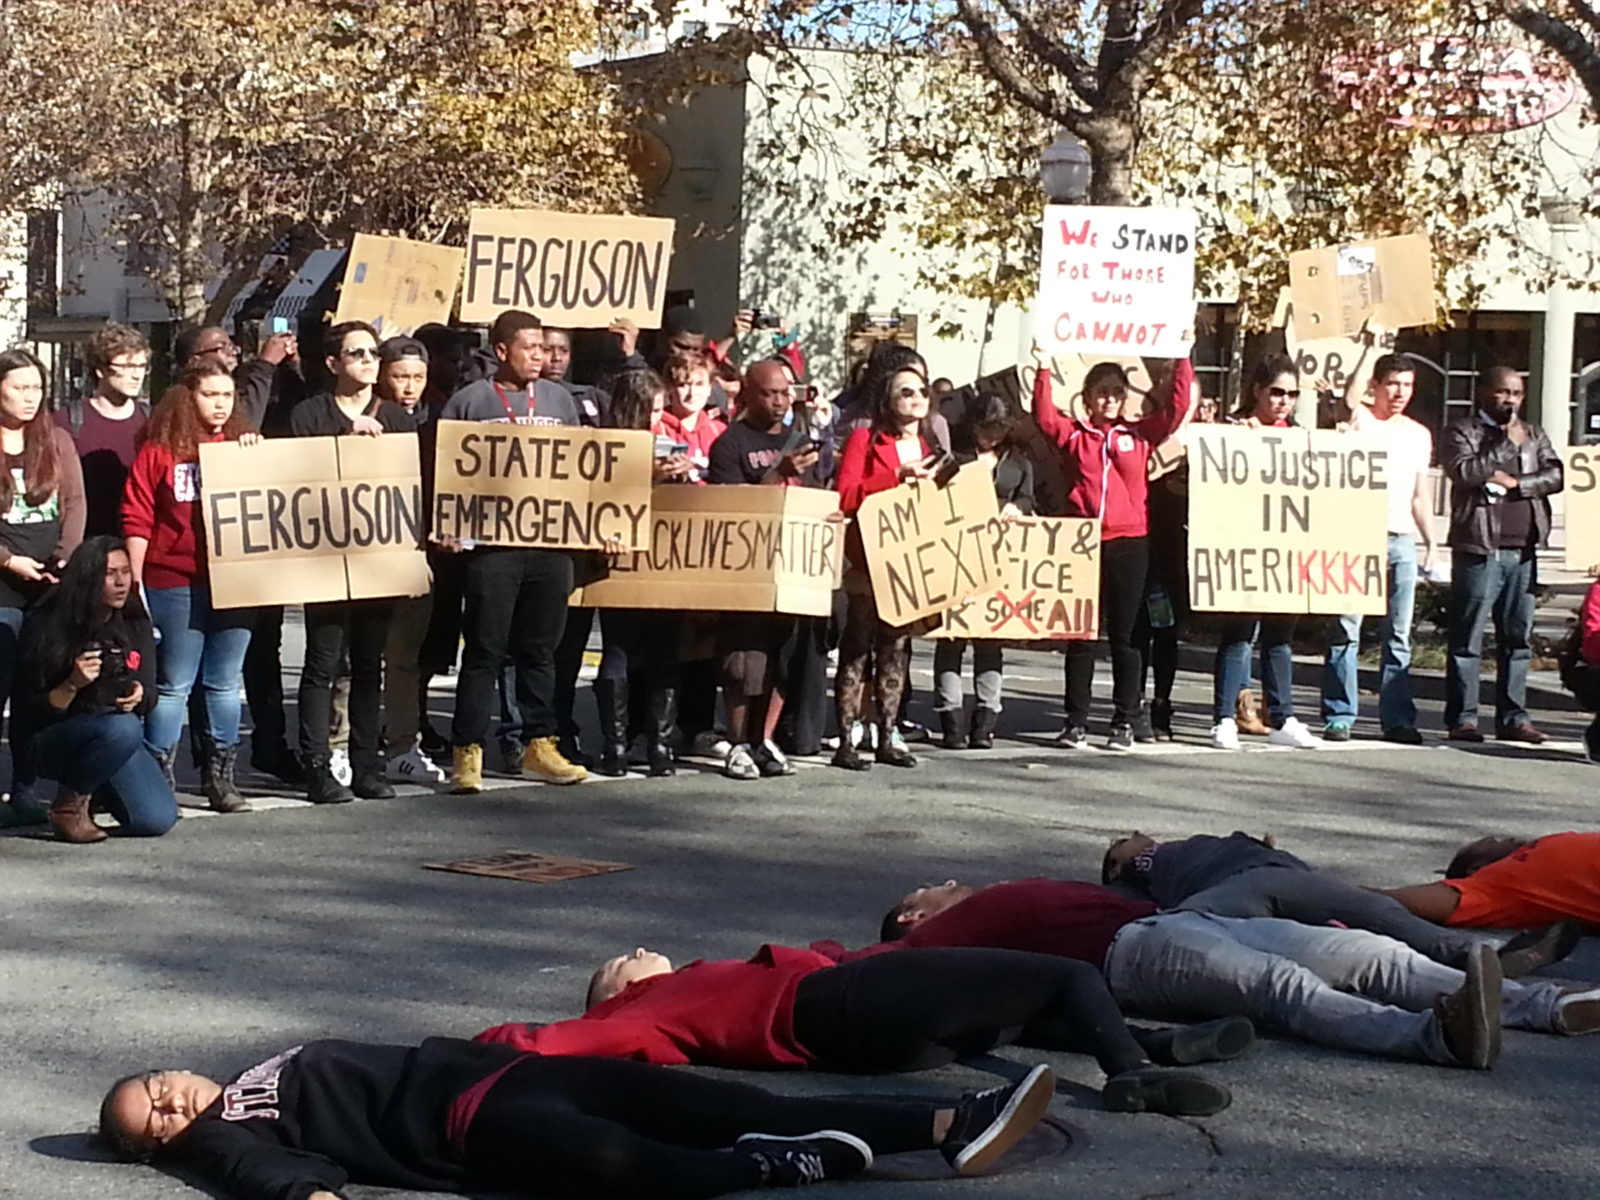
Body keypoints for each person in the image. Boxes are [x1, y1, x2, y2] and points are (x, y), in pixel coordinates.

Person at [99, 1037, 1057, 1198]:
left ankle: (951, 1120)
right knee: (627, 1169)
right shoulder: (230, 1132)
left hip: (515, 1074)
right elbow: (269, 1179)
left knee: (728, 1103)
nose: (174, 1107)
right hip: (475, 1129)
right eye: (157, 1127)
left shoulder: (257, 1073)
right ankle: (776, 1167)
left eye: (157, 1089)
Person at [873, 877, 1600, 1069]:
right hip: (1134, 958)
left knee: (1365, 954)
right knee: (1282, 990)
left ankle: (1539, 1005)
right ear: (912, 917)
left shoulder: (979, 906)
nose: (947, 881)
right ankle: (1433, 1039)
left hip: (1181, 922)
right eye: (927, 888)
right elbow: (863, 970)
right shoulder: (943, 936)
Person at [478, 943, 1232, 1118]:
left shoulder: (669, 1002)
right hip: (843, 1005)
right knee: (1064, 974)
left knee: (1015, 1011)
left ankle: (1149, 1046)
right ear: (613, 992)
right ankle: (1130, 1070)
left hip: (876, 1041)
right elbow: (558, 1042)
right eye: (622, 961)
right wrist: (464, 1053)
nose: (637, 951)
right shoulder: (647, 1009)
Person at [438, 310, 587, 793]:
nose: (540, 356)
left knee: (541, 650)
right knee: (484, 650)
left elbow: (587, 473)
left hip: (549, 545)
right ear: (502, 351)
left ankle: (539, 743)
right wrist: (447, 527)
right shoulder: (470, 402)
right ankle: (468, 750)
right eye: (530, 348)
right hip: (492, 549)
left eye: (544, 348)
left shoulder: (562, 401)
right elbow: (445, 471)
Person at [1099, 831, 1573, 974]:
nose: (1135, 836)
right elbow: (1125, 858)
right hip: (1258, 884)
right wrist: (1126, 857)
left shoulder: (1192, 853)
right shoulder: (1151, 859)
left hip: (1250, 897)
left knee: (1352, 946)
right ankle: (1475, 960)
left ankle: (1468, 972)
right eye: (1126, 841)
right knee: (1381, 919)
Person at [285, 322, 417, 802]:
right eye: (356, 353)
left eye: (373, 353)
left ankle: (367, 766)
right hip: (324, 558)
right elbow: (296, 474)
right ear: (332, 363)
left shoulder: (400, 420)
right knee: (322, 664)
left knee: (368, 664)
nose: (367, 361)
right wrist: (347, 434)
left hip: (377, 560)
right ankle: (317, 766)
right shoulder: (309, 414)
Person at [1033, 354, 1193, 750]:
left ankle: (1125, 718)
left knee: (1126, 637)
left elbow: (1177, 409)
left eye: (1116, 394)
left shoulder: (1139, 434)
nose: (1109, 401)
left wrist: (1182, 359)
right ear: (1087, 399)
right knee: (1082, 635)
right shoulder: (1075, 435)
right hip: (1084, 541)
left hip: (1130, 542)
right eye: (1101, 393)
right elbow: (1044, 417)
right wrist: (1042, 368)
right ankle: (1076, 720)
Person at [122, 361, 260, 814]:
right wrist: (135, 582)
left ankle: (220, 777)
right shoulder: (159, 452)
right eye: (210, 395)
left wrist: (256, 455)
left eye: (227, 395)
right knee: (175, 682)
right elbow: (138, 516)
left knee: (224, 684)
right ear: (187, 398)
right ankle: (158, 773)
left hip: (235, 580)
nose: (220, 404)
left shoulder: (244, 446)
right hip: (174, 580)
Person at [172, 323, 305, 784]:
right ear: (194, 364)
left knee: (260, 656)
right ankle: (201, 758)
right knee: (194, 672)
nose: (231, 353)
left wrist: (288, 368)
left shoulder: (255, 390)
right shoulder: (184, 412)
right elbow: (235, 418)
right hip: (194, 566)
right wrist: (264, 365)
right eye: (220, 348)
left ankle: (266, 745)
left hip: (250, 559)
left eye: (232, 346)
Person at [706, 360, 824, 780]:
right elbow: (732, 511)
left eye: (785, 393)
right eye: (769, 393)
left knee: (785, 658)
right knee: (745, 663)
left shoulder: (805, 441)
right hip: (748, 570)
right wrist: (779, 472)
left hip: (798, 567)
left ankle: (764, 739)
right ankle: (738, 743)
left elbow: (822, 498)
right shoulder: (730, 445)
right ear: (747, 395)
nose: (779, 402)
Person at [17, 536, 175, 841]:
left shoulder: (133, 618)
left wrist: (141, 695)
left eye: (125, 572)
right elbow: (29, 713)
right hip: (54, 736)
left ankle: (97, 787)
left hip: (111, 736)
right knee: (124, 729)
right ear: (88, 576)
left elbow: (152, 691)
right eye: (110, 574)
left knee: (156, 820)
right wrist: (72, 683)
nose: (120, 583)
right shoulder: (50, 620)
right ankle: (68, 807)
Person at [1440, 366, 1562, 743]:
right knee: (1468, 636)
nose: (1510, 400)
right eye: (1502, 392)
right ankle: (1463, 718)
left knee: (1518, 638)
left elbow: (1555, 475)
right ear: (1483, 393)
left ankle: (1514, 717)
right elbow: (1463, 472)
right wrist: (1500, 446)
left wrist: (1517, 484)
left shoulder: (1534, 434)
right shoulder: (1463, 431)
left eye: (1516, 394)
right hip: (1479, 546)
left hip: (1522, 549)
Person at [1320, 354, 1436, 744]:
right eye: (1392, 383)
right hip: (1356, 535)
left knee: (1399, 634)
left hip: (1401, 538)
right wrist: (1368, 347)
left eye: (1407, 384)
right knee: (1345, 629)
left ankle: (1398, 719)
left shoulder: (1418, 434)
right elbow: (1350, 400)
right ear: (1377, 384)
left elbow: (1420, 494)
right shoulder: (1361, 421)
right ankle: (1340, 714)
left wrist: (1432, 542)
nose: (1400, 392)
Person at [831, 363, 939, 771]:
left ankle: (887, 735)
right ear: (888, 401)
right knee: (857, 649)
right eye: (905, 391)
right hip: (868, 558)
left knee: (896, 650)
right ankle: (846, 739)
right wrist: (895, 475)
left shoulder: (928, 448)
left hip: (907, 563)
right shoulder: (866, 438)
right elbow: (845, 494)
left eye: (921, 391)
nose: (915, 398)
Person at [1206, 357, 1317, 751]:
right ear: (1258, 390)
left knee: (1280, 638)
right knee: (1239, 635)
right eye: (1277, 392)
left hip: (1284, 550)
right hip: (1244, 548)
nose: (1284, 401)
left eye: (1292, 395)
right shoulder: (1233, 430)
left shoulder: (1302, 437)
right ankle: (1223, 718)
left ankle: (1282, 716)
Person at [0, 348, 85, 829]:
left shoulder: (55, 440)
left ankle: (27, 790)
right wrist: (10, 561)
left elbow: (74, 502)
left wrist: (65, 556)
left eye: (36, 387)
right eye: (19, 387)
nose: (30, 397)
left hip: (48, 588)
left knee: (35, 695)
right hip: (3, 589)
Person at [591, 368, 689, 778]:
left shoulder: (665, 441)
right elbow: (602, 489)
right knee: (619, 650)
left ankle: (659, 745)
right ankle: (616, 745)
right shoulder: (608, 445)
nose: (659, 419)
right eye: (654, 410)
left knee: (664, 651)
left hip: (664, 557)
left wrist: (679, 473)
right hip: (620, 558)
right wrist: (652, 473)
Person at [933, 393, 1034, 749]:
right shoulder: (954, 460)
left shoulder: (1019, 463)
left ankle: (985, 721)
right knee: (951, 639)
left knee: (990, 640)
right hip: (958, 555)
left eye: (998, 429)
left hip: (999, 557)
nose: (991, 436)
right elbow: (934, 496)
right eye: (985, 428)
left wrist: (1017, 509)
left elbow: (1028, 498)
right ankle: (951, 719)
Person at [370, 336, 449, 785]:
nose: (410, 386)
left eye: (418, 377)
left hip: (418, 551)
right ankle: (343, 746)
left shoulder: (439, 419)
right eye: (401, 376)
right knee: (352, 659)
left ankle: (403, 745)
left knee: (404, 656)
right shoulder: (368, 418)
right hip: (367, 551)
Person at [1381, 832, 1600, 932]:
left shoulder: (1547, 841)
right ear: (1476, 869)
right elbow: (1410, 899)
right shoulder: (1494, 886)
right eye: (1491, 842)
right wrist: (1349, 896)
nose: (1504, 838)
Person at [56, 321, 151, 537]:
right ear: (100, 370)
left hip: (136, 543)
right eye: (127, 367)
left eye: (142, 366)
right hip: (84, 545)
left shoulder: (152, 421)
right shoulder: (66, 422)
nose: (137, 375)